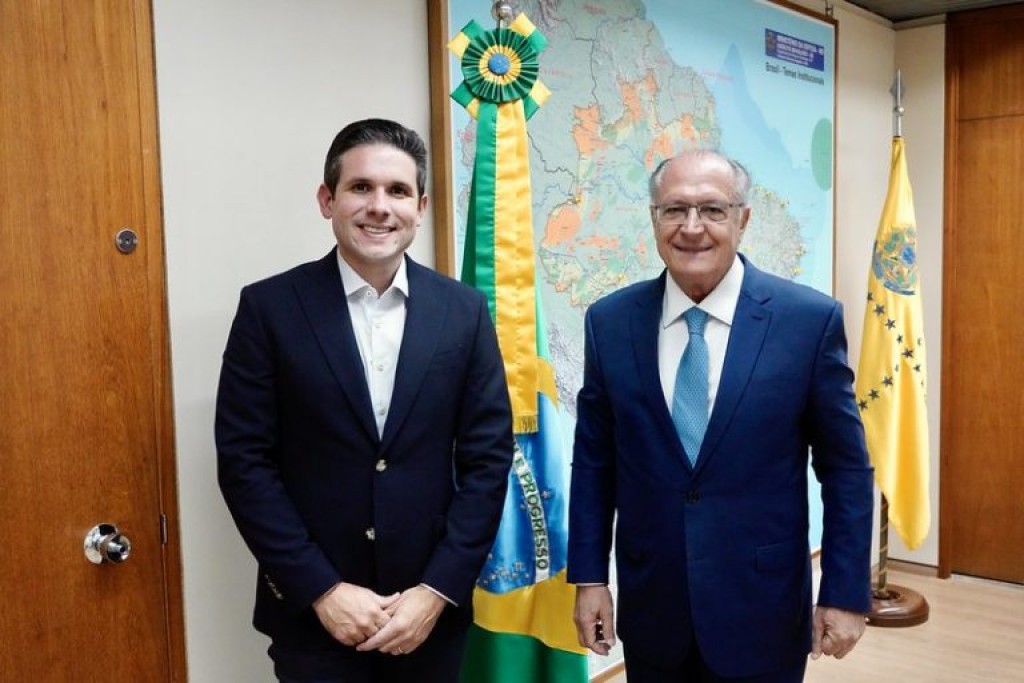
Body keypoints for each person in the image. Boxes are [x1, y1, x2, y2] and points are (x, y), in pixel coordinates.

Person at [215, 118, 514, 682]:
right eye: (361, 187)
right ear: (327, 200)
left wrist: (437, 589)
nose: (380, 206)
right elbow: (244, 462)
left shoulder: (464, 312)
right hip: (314, 622)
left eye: (397, 191)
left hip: (428, 619)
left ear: (420, 208)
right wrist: (321, 589)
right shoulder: (269, 309)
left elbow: (488, 461)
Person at [567, 149, 874, 682]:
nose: (692, 228)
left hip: (763, 609)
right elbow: (595, 463)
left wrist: (845, 591)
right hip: (653, 606)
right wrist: (590, 577)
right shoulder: (610, 322)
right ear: (654, 219)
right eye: (674, 210)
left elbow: (845, 469)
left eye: (712, 209)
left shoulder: (807, 322)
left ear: (743, 219)